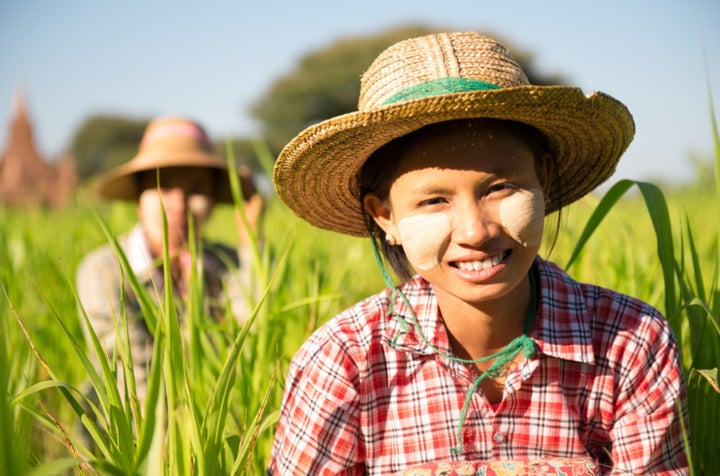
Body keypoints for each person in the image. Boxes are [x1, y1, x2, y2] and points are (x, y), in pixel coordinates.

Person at [268, 32, 689, 475]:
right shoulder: (344, 360)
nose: (475, 231)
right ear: (386, 217)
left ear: (542, 180)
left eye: (500, 188)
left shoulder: (629, 342)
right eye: (434, 201)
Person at [76, 116, 263, 406]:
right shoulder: (104, 270)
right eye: (163, 186)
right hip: (130, 439)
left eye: (197, 189)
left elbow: (258, 335)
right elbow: (135, 379)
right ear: (139, 200)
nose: (178, 204)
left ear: (213, 202)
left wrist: (251, 240)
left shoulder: (226, 265)